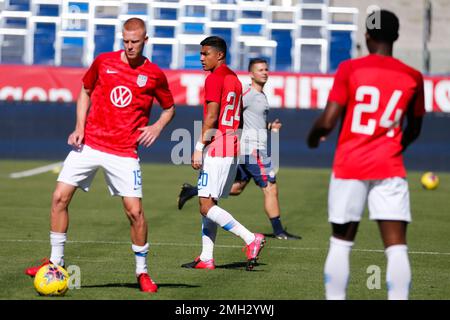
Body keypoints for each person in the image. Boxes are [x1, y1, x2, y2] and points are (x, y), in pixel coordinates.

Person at [24, 18, 176, 293]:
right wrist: (79, 127)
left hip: (124, 151)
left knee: (135, 212)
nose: (130, 46)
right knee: (59, 197)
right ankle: (56, 264)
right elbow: (85, 91)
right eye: (126, 41)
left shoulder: (154, 74)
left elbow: (169, 107)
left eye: (135, 42)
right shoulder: (103, 61)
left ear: (145, 41)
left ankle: (142, 273)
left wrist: (157, 127)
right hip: (91, 143)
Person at [307, 10, 424, 300]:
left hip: (350, 165)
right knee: (396, 247)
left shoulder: (350, 69)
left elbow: (327, 121)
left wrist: (313, 137)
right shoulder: (413, 76)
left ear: (367, 36)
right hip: (390, 166)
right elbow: (415, 128)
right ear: (396, 37)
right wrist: (396, 147)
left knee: (341, 243)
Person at [178, 58, 301, 240]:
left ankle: (192, 191)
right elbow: (229, 109)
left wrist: (268, 127)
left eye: (266, 69)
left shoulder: (261, 95)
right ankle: (279, 231)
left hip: (247, 149)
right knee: (270, 186)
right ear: (251, 74)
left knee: (235, 189)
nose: (264, 72)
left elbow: (251, 121)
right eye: (260, 70)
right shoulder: (247, 92)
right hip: (252, 150)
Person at [181, 36, 265, 271]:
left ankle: (251, 238)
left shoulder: (215, 78)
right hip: (231, 145)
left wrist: (199, 148)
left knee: (205, 206)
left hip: (217, 146)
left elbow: (211, 116)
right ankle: (206, 257)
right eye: (200, 53)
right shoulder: (235, 80)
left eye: (205, 53)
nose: (201, 58)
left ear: (219, 55)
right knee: (210, 202)